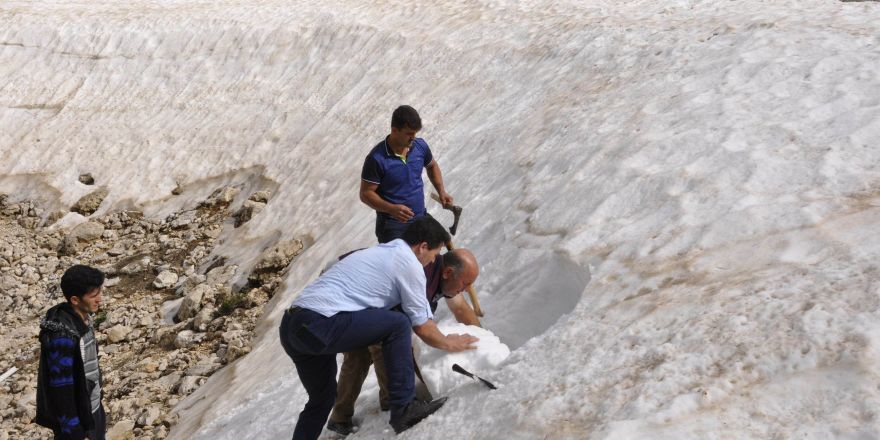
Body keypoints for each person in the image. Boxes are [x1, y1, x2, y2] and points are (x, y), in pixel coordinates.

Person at [279, 217, 478, 439]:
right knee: (398, 324)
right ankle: (403, 409)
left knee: (322, 399)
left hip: (292, 326)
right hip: (319, 322)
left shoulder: (386, 252)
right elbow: (421, 326)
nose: (433, 260)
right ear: (422, 247)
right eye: (433, 254)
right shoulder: (409, 263)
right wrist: (450, 342)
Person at [327, 248, 482, 436]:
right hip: (343, 289)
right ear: (448, 273)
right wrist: (397, 395)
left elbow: (461, 309)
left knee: (365, 350)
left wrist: (483, 342)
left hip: (363, 294)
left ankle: (343, 416)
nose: (465, 289)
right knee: (367, 350)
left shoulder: (445, 276)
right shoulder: (419, 276)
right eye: (465, 284)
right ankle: (386, 405)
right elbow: (390, 337)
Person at [360, 105, 454, 243]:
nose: (413, 138)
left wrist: (441, 191)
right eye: (409, 133)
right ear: (394, 130)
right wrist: (391, 209)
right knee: (402, 263)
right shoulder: (376, 158)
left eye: (415, 133)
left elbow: (432, 166)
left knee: (445, 244)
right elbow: (365, 194)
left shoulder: (420, 146)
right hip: (392, 226)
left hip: (420, 218)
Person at [35, 265, 107, 440]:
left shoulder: (83, 318)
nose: (100, 299)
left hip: (93, 409)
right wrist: (74, 432)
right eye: (93, 296)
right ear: (75, 300)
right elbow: (61, 389)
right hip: (77, 424)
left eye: (99, 292)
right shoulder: (61, 336)